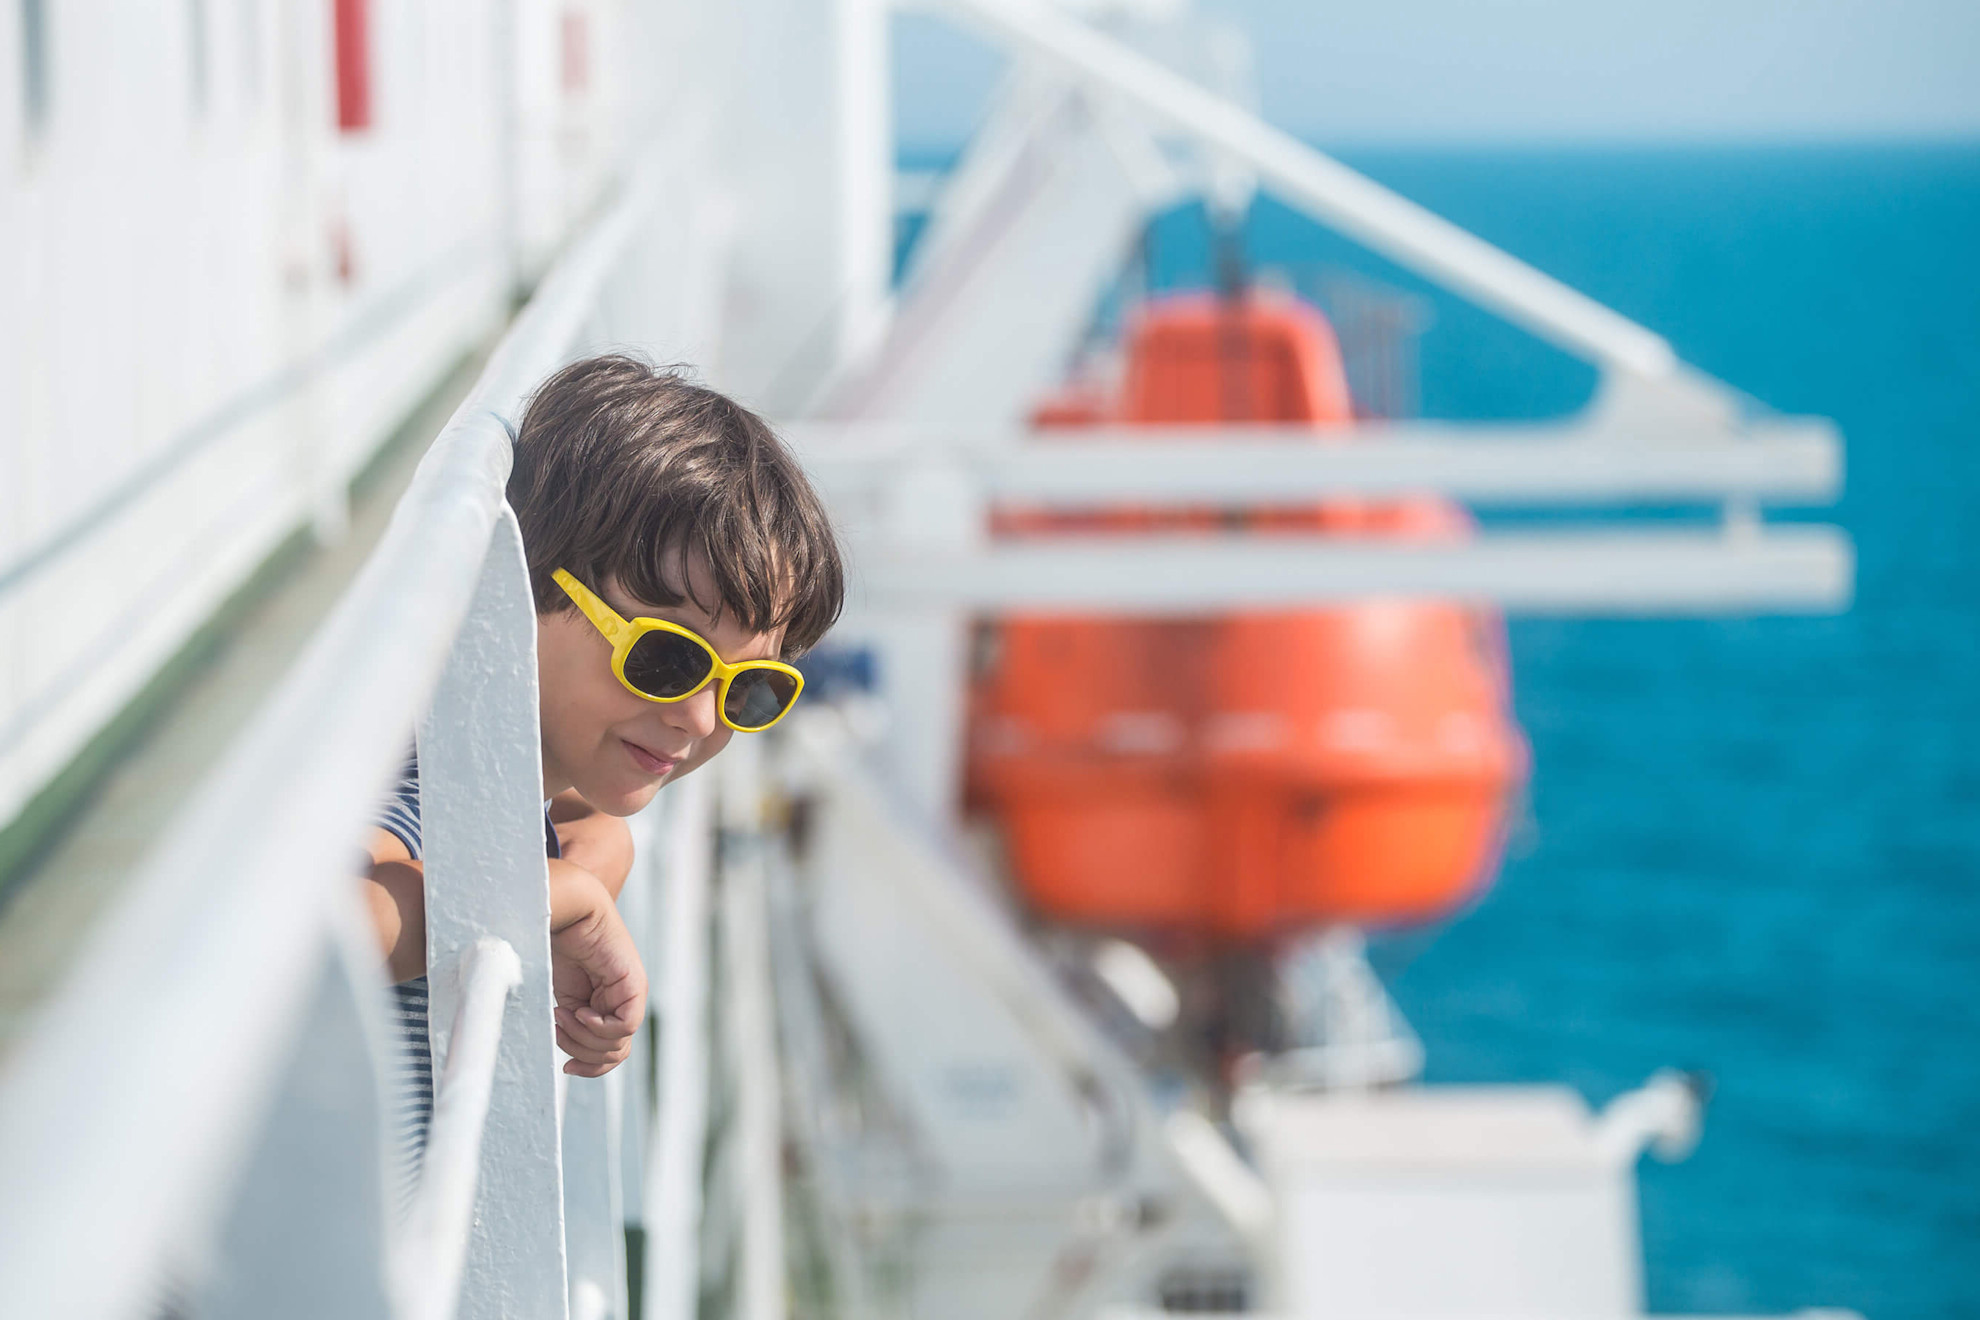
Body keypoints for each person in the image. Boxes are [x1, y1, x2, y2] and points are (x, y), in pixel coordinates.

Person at [360, 354, 844, 1173]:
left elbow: (589, 822)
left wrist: (596, 855)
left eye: (749, 690)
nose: (696, 719)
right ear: (514, 589)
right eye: (664, 659)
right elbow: (336, 917)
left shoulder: (523, 784)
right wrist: (562, 898)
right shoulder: (414, 784)